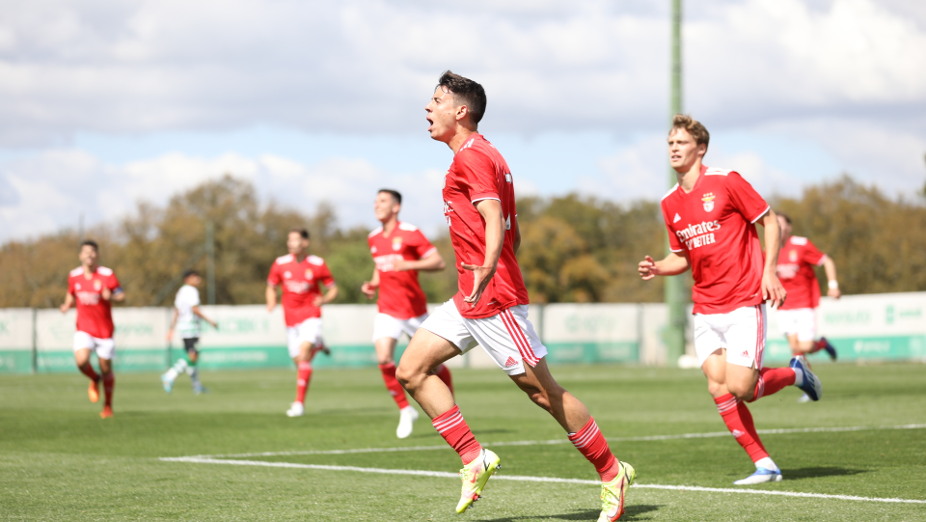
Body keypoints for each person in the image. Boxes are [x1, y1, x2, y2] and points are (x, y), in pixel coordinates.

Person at [395, 71, 634, 522]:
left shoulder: (473, 156)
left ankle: (611, 471)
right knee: (411, 369)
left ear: (460, 111)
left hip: (495, 298)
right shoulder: (482, 156)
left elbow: (493, 214)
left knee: (545, 394)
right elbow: (513, 231)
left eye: (436, 100)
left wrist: (490, 268)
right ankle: (473, 457)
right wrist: (491, 265)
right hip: (471, 296)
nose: (427, 108)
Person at [638, 114, 824, 485]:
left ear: (700, 149)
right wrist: (658, 267)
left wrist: (768, 271)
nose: (673, 148)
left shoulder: (726, 181)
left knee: (742, 388)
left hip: (742, 300)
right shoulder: (669, 202)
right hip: (705, 306)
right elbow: (683, 257)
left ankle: (795, 374)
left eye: (681, 143)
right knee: (717, 386)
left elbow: (769, 221)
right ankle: (765, 464)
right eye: (670, 143)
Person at [361, 188, 454, 439]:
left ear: (395, 207)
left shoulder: (411, 233)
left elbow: (438, 262)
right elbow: (380, 267)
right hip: (387, 309)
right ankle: (405, 409)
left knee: (435, 365)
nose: (376, 205)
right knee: (383, 357)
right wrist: (373, 284)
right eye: (375, 201)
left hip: (414, 311)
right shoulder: (373, 237)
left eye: (382, 201)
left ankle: (450, 406)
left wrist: (409, 264)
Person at [266, 228, 338, 417]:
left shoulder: (317, 264)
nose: (292, 243)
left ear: (305, 243)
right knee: (299, 361)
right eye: (289, 240)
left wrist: (324, 299)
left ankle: (299, 404)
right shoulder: (280, 263)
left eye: (296, 240)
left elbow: (332, 288)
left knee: (304, 353)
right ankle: (318, 345)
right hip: (290, 319)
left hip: (311, 315)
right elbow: (271, 286)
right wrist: (271, 300)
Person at [59, 239, 125, 419]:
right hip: (84, 328)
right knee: (81, 362)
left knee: (106, 368)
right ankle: (94, 379)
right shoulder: (74, 276)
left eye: (93, 251)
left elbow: (122, 295)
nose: (90, 254)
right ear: (80, 255)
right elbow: (71, 293)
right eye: (86, 251)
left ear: (97, 255)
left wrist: (111, 296)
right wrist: (66, 305)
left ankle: (108, 406)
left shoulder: (107, 274)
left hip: (104, 330)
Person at [162, 269, 218, 395]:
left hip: (184, 327)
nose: (198, 279)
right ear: (187, 279)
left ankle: (196, 386)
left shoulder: (181, 291)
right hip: (191, 327)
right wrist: (210, 321)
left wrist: (171, 328)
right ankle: (170, 375)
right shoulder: (191, 291)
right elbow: (195, 309)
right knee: (192, 355)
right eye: (194, 277)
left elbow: (177, 311)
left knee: (193, 357)